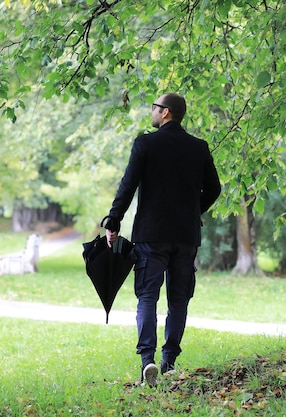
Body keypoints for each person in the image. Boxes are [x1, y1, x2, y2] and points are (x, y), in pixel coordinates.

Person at [103, 93, 221, 387]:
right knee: (179, 299)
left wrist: (113, 220)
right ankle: (169, 363)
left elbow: (128, 184)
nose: (152, 112)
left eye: (154, 108)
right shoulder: (199, 148)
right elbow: (215, 189)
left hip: (151, 236)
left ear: (165, 112)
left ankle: (148, 361)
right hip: (185, 236)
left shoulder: (145, 143)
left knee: (147, 297)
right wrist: (194, 212)